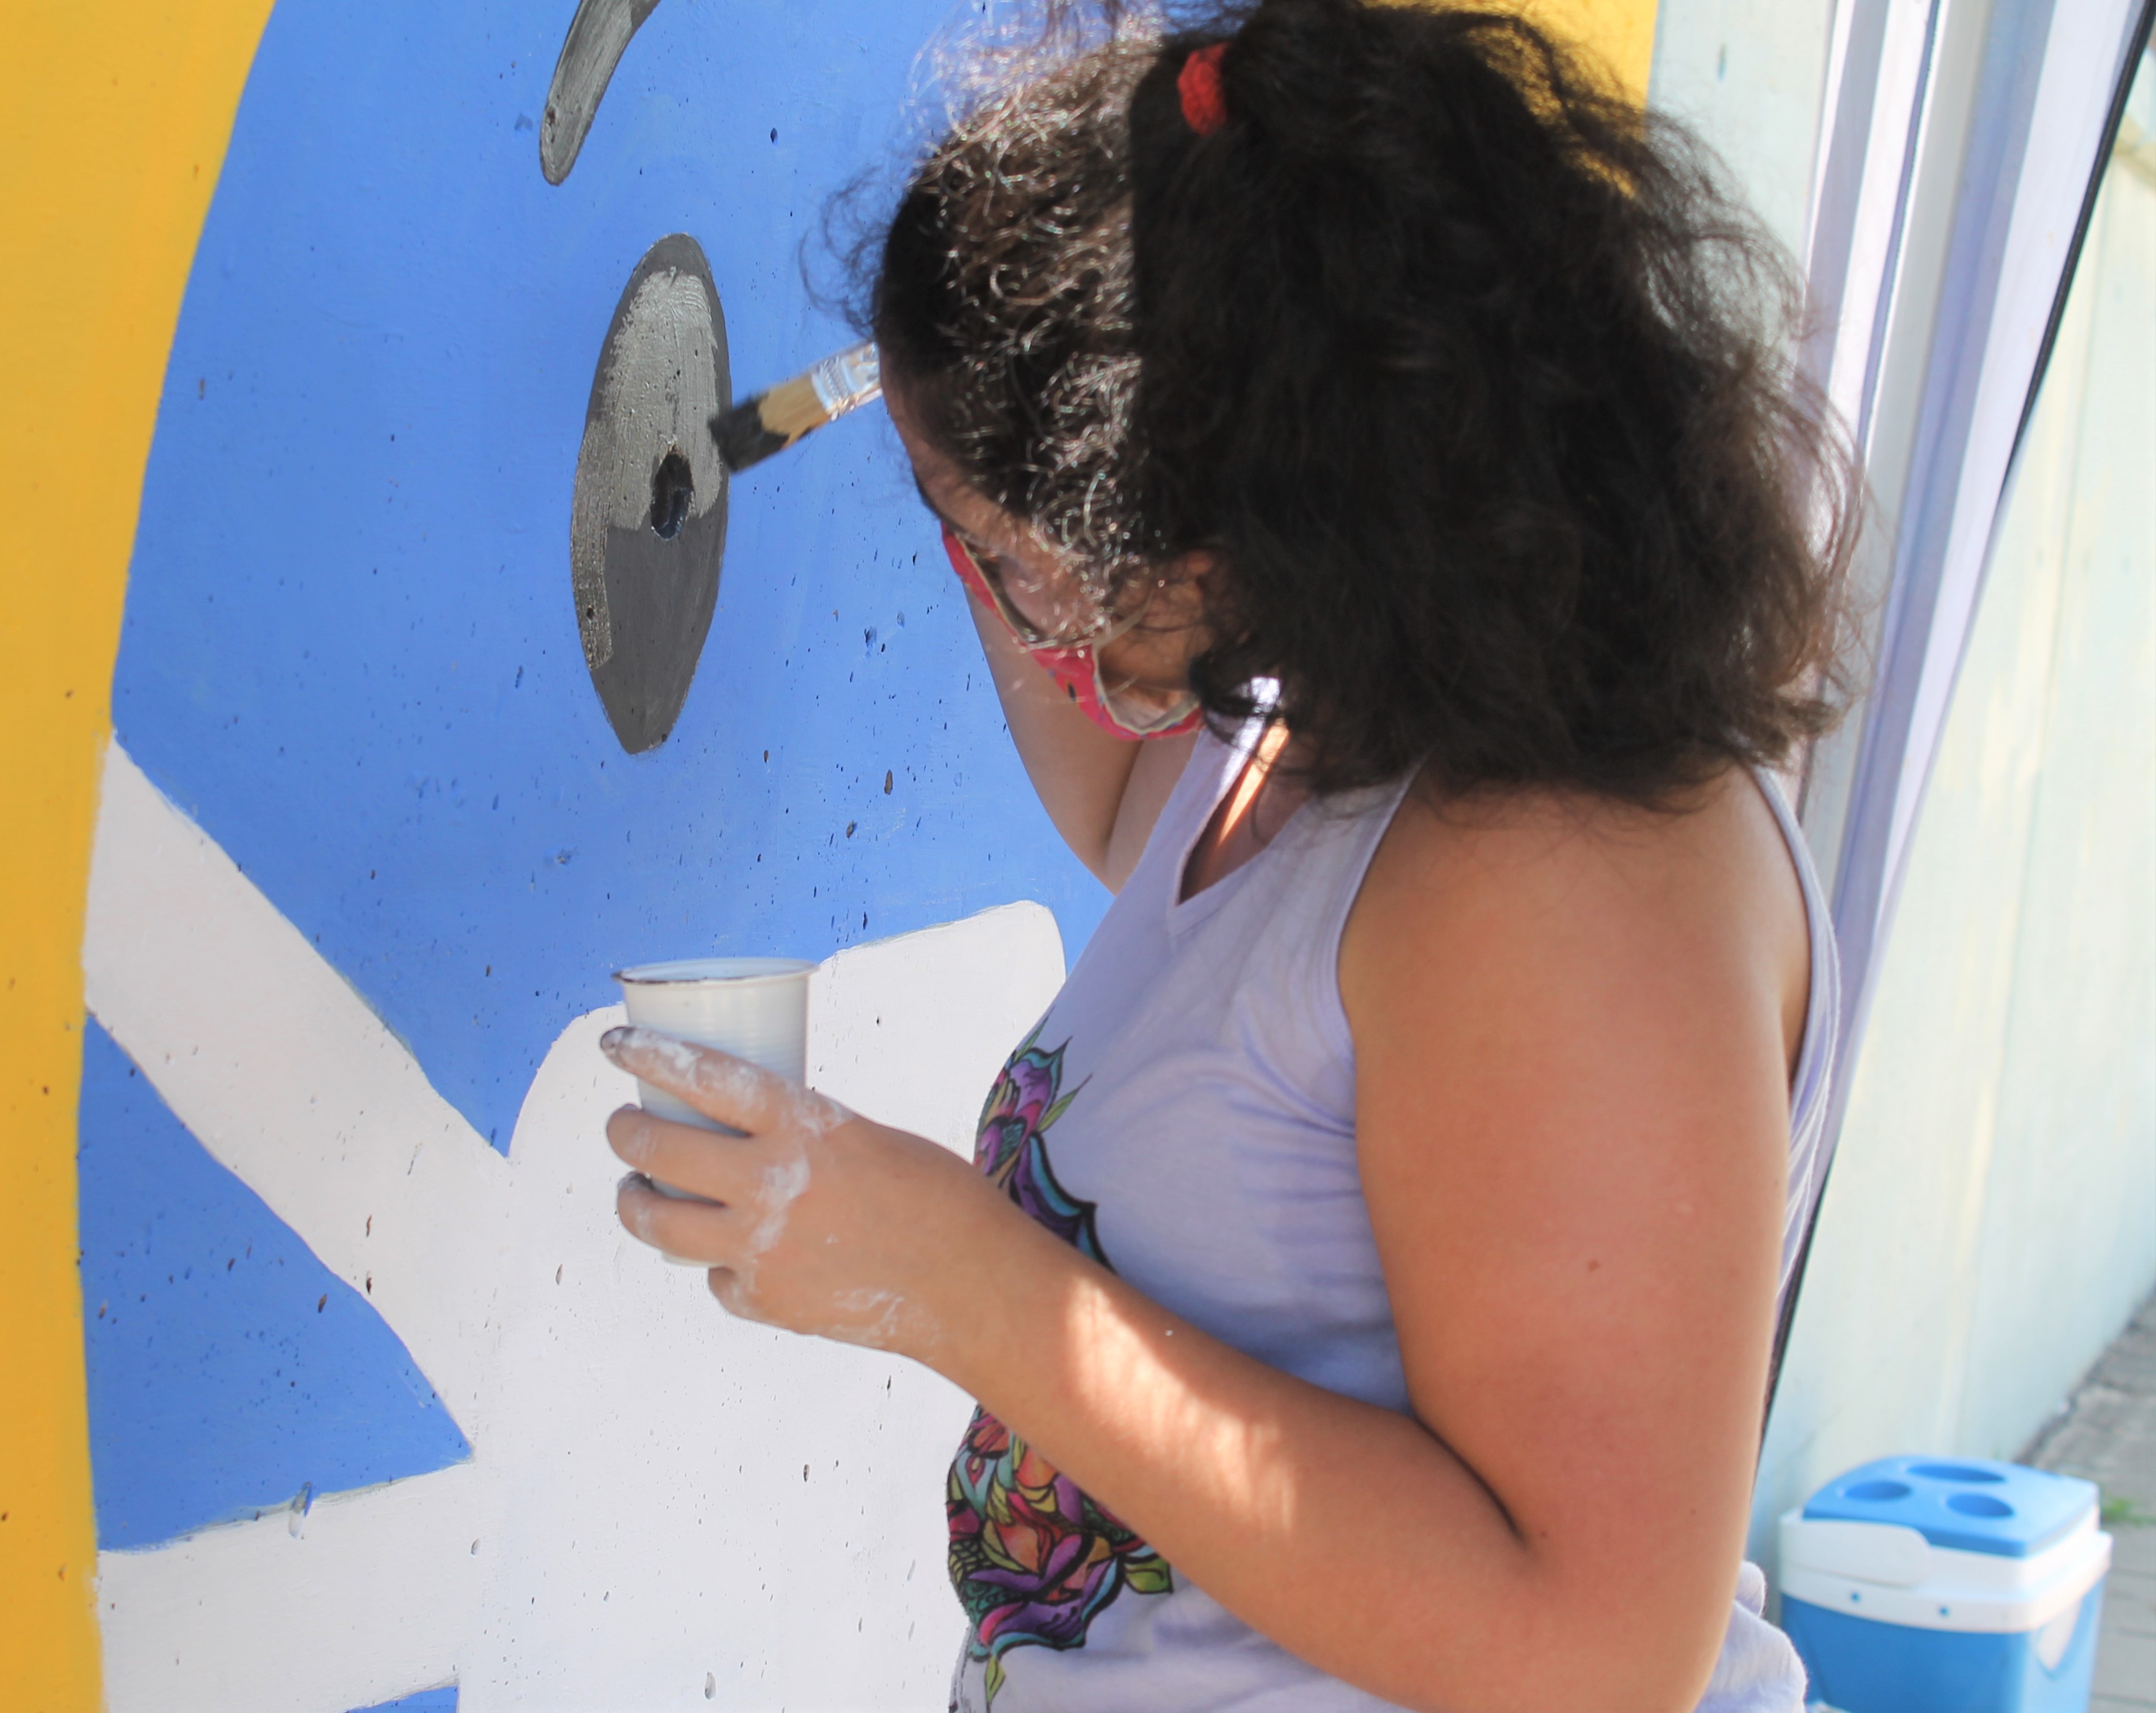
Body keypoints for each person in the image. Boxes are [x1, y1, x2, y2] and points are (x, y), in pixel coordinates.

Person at [602, 2, 1859, 1708]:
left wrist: (954, 1279)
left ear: (1233, 537)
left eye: (1018, 558)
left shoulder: (1572, 882)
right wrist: (972, 474)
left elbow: (1593, 1649)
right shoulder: (1315, 734)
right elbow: (1137, 831)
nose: (1021, 610)